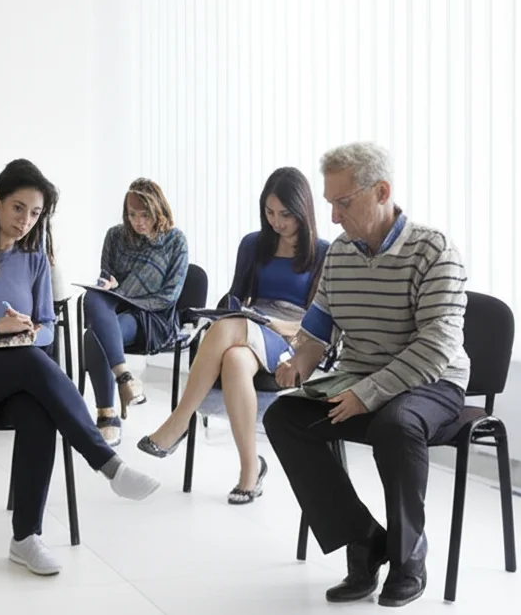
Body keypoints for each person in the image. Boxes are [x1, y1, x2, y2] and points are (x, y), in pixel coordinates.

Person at [0, 159, 161, 576]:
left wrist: (27, 333)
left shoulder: (34, 259)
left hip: (12, 373)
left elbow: (48, 327)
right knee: (31, 363)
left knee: (38, 412)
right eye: (18, 208)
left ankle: (25, 538)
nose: (25, 221)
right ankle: (107, 462)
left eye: (35, 214)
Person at [264, 142, 470, 608]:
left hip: (431, 382)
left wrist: (369, 393)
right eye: (329, 203)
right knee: (284, 419)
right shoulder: (340, 253)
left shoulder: (434, 251)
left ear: (382, 191)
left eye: (343, 202)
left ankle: (406, 558)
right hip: (359, 378)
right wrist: (300, 361)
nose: (333, 217)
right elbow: (319, 325)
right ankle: (364, 540)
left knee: (394, 425)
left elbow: (437, 347)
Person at [138, 167, 330, 504]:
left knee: (228, 329)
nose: (277, 222)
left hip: (291, 337)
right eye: (269, 212)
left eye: (285, 214)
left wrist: (267, 325)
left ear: (303, 210)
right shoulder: (254, 244)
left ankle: (178, 423)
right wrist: (227, 311)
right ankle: (249, 473)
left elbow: (319, 321)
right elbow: (234, 295)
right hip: (250, 328)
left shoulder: (323, 252)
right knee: (234, 358)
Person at [82, 178, 188, 445]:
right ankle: (125, 379)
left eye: (145, 215)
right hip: (117, 306)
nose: (138, 222)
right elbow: (107, 278)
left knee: (92, 336)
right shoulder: (115, 236)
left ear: (158, 210)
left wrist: (127, 295)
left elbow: (169, 296)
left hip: (152, 316)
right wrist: (109, 285)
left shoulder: (175, 241)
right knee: (93, 296)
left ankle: (107, 416)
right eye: (132, 215)